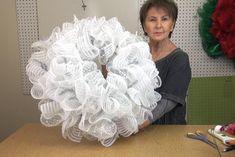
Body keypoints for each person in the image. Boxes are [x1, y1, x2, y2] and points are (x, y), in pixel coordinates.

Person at [138, 0, 191, 128]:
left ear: (172, 25)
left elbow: (166, 103)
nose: (158, 25)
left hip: (169, 133)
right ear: (144, 26)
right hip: (142, 134)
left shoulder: (180, 59)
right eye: (152, 20)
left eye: (164, 19)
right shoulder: (138, 54)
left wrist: (134, 126)